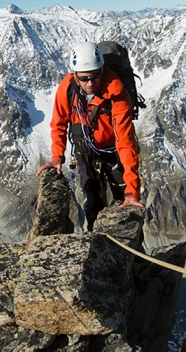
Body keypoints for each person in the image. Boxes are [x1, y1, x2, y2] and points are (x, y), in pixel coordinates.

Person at [37, 41, 144, 230]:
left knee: (124, 200)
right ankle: (95, 242)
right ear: (75, 75)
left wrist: (133, 190)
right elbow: (59, 123)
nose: (91, 82)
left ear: (102, 70)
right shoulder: (67, 88)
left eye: (95, 76)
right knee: (92, 201)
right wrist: (57, 157)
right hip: (85, 150)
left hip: (114, 152)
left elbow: (125, 141)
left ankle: (133, 253)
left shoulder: (117, 92)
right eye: (84, 78)